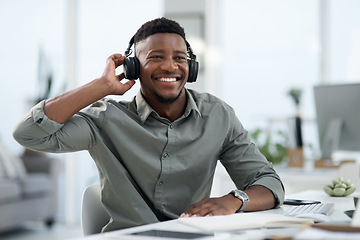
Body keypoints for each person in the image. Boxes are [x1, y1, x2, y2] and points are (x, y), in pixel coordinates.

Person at [13, 17, 284, 232]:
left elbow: (269, 183)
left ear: (190, 67)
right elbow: (29, 134)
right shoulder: (105, 119)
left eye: (179, 57)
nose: (170, 66)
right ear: (133, 67)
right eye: (156, 57)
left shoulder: (218, 116)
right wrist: (101, 86)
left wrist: (234, 200)